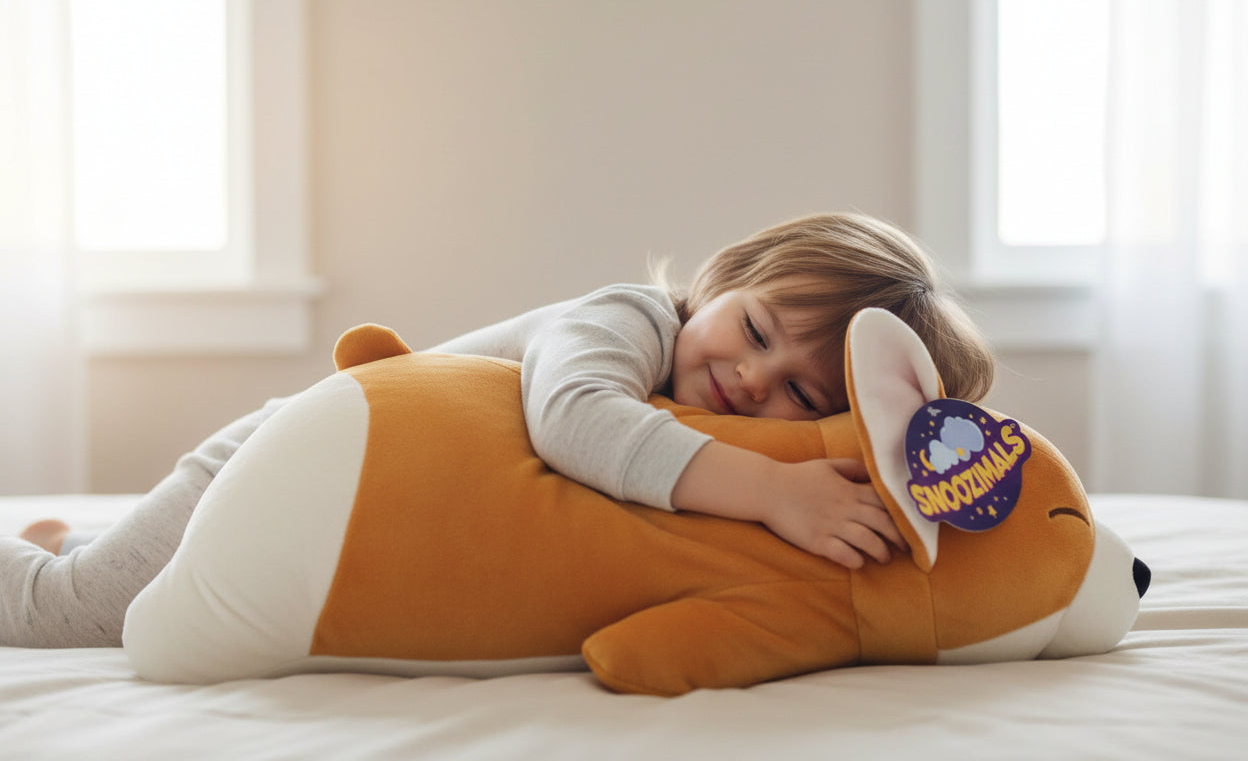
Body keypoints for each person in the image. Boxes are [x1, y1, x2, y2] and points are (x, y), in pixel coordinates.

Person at [3, 212, 995, 648]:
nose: (750, 378)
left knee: (117, 568)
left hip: (353, 527)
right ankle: (48, 558)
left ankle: (75, 537)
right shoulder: (625, 321)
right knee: (79, 615)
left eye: (805, 399)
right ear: (724, 277)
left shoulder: (712, 415)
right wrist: (778, 490)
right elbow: (573, 425)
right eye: (756, 329)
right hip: (275, 468)